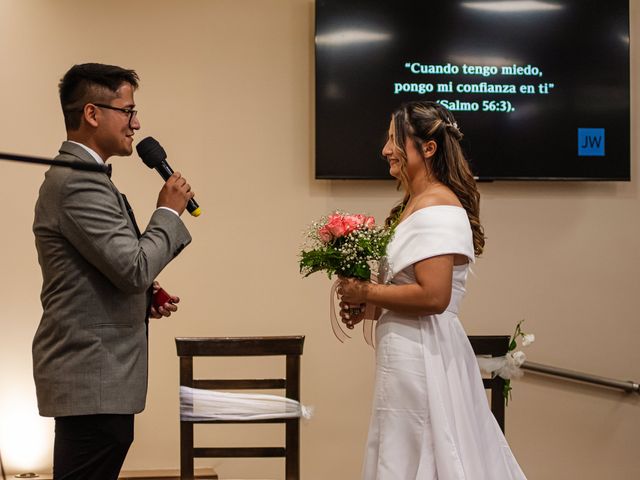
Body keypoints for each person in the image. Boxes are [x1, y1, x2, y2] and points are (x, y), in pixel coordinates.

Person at [337, 101, 526, 479]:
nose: (385, 150)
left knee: (422, 449)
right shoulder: (414, 204)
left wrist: (367, 293)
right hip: (405, 350)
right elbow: (407, 290)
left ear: (428, 148)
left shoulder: (439, 205)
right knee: (404, 448)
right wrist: (366, 305)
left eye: (394, 140)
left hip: (422, 355)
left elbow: (434, 297)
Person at [32, 63, 194, 479]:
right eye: (128, 111)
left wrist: (143, 293)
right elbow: (134, 266)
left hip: (99, 381)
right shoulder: (78, 182)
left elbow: (117, 267)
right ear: (92, 114)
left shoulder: (90, 177)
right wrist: (166, 211)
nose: (136, 123)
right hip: (92, 376)